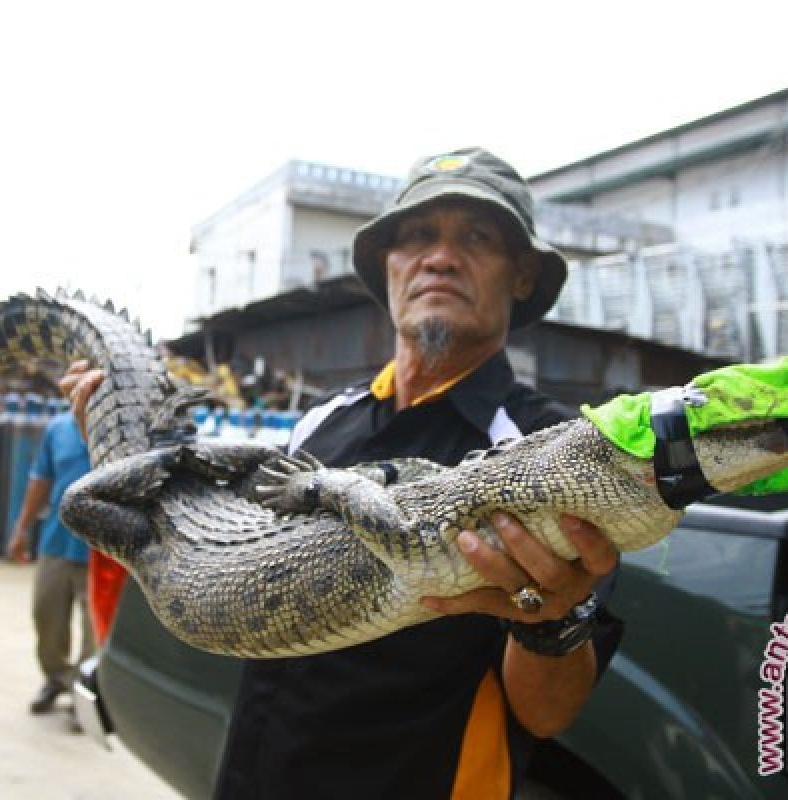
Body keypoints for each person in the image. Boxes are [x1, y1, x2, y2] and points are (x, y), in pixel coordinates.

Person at [62, 147, 624, 799]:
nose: (439, 257)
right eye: (417, 235)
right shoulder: (322, 421)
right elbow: (220, 543)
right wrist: (120, 441)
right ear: (387, 266)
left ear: (522, 275)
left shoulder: (548, 453)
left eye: (477, 237)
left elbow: (547, 715)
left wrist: (549, 619)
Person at [7, 410, 95, 715]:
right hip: (57, 542)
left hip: (100, 551)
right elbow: (41, 480)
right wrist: (22, 528)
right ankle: (56, 678)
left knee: (94, 631)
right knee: (46, 616)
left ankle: (83, 695)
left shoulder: (114, 430)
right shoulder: (58, 429)